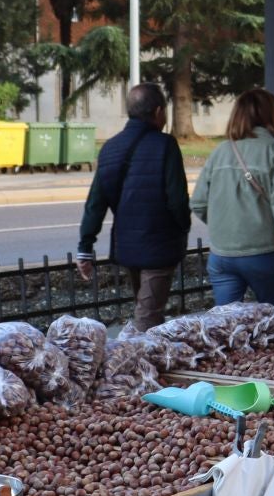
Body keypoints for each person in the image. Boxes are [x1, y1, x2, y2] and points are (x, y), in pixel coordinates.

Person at [76, 83, 191, 332]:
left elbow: (96, 202)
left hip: (127, 245)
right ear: (159, 111)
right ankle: (136, 363)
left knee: (146, 309)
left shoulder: (110, 148)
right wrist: (183, 227)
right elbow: (177, 199)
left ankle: (153, 361)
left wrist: (85, 247)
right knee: (147, 317)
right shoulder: (165, 145)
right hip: (160, 246)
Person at [189, 88, 274, 317]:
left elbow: (198, 203)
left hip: (221, 256)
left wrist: (227, 224)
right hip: (263, 255)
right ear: (271, 115)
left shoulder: (220, 152)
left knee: (224, 329)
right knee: (272, 327)